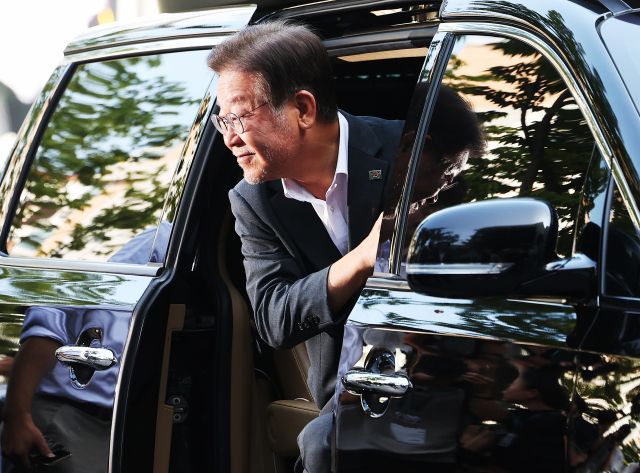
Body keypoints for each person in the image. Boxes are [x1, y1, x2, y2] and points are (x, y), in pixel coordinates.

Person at [206, 21, 404, 472]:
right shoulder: (253, 199)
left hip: (432, 373)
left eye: (239, 117)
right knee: (320, 446)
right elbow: (273, 319)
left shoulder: (407, 154)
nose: (229, 138)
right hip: (348, 395)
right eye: (223, 120)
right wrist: (360, 260)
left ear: (303, 108)